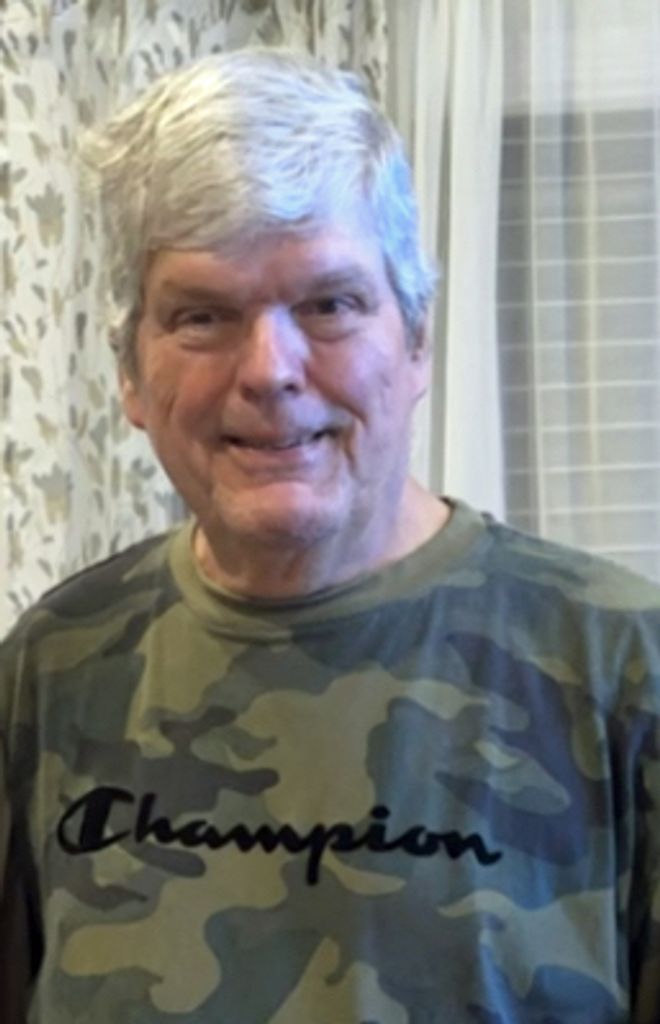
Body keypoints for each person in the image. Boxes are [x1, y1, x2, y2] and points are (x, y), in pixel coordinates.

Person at [1, 47, 659, 1024]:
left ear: (418, 338)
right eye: (203, 315)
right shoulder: (50, 670)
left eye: (330, 304)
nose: (270, 369)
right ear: (131, 374)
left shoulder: (622, 667)